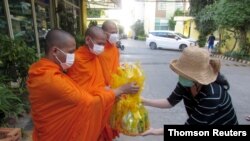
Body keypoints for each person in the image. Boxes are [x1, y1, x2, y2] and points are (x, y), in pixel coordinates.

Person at [27, 29, 115, 141]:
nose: (74, 56)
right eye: (71, 52)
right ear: (54, 51)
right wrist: (118, 91)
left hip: (53, 130)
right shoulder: (49, 78)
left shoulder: (45, 71)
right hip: (57, 135)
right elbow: (88, 102)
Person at [141, 47, 238, 136]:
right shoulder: (186, 83)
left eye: (185, 74)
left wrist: (155, 131)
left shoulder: (212, 95)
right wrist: (144, 101)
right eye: (181, 73)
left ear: (197, 77)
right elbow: (170, 102)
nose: (181, 76)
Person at [67, 26, 140, 141]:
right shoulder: (77, 60)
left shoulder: (95, 57)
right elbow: (78, 90)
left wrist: (110, 90)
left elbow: (99, 83)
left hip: (101, 105)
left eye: (103, 44)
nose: (101, 47)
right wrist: (116, 91)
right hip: (85, 110)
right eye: (99, 43)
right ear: (87, 40)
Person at [99, 20, 120, 86]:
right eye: (113, 32)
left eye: (116, 32)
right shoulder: (98, 49)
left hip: (114, 85)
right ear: (104, 33)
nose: (115, 35)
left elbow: (116, 66)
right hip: (102, 87)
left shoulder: (115, 48)